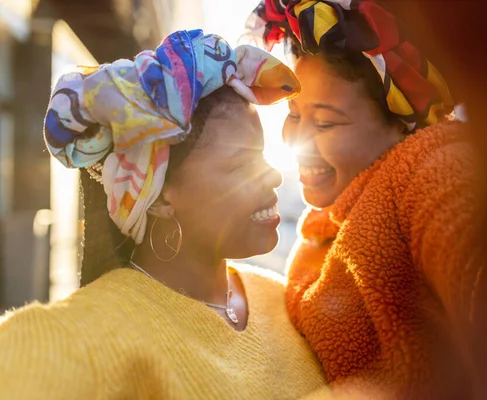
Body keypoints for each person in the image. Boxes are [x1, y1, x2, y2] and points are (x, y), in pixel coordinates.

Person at [0, 29, 329, 399]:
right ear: (154, 197)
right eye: (241, 163)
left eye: (263, 156)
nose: (271, 175)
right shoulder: (60, 345)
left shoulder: (287, 301)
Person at [243, 1, 481, 397]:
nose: (297, 139)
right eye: (294, 113)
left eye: (325, 122)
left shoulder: (432, 169)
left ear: (400, 121)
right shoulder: (327, 220)